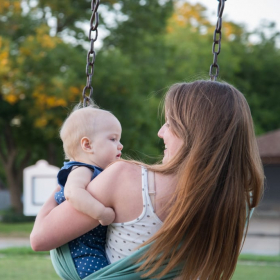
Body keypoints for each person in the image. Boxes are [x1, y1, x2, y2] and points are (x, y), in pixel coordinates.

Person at [31, 80, 264, 280]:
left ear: (195, 132)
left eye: (170, 123)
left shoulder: (125, 178)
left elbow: (39, 239)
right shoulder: (241, 200)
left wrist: (68, 179)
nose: (161, 132)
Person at [51, 105, 123, 279]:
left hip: (91, 249)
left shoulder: (96, 171)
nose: (120, 146)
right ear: (87, 145)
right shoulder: (82, 169)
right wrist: (101, 212)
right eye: (113, 139)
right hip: (83, 254)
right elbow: (73, 193)